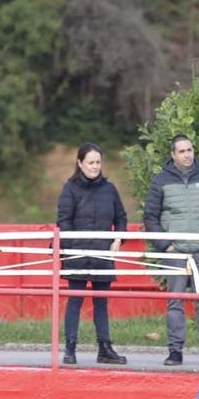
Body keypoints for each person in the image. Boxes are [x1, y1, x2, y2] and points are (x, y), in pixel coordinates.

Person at [143, 134, 199, 366]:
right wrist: (166, 246)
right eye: (182, 151)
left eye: (190, 150)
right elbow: (150, 217)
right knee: (175, 302)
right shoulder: (160, 181)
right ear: (173, 155)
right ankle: (175, 352)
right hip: (175, 253)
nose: (187, 154)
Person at [54, 142, 128, 366]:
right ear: (80, 163)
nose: (95, 167)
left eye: (98, 162)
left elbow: (121, 217)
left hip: (102, 254)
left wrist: (118, 238)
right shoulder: (70, 189)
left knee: (101, 302)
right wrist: (73, 247)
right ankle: (70, 348)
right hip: (77, 253)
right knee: (74, 300)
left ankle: (105, 348)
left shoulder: (110, 189)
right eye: (91, 162)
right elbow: (63, 222)